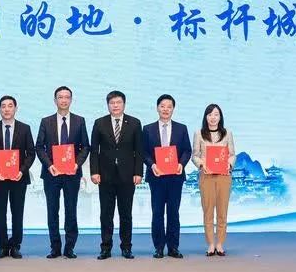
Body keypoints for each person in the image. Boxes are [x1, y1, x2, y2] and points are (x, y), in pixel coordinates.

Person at [35, 86, 90, 259]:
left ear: (71, 100)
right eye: (60, 97)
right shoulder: (46, 121)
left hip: (72, 173)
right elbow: (39, 147)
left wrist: (77, 164)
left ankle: (70, 247)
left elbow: (85, 146)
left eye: (67, 97)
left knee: (71, 210)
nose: (64, 100)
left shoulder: (79, 121)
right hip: (51, 173)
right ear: (55, 100)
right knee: (52, 211)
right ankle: (55, 247)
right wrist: (49, 165)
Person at [90, 90, 143, 259]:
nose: (115, 106)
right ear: (108, 105)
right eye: (112, 103)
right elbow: (94, 150)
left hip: (127, 176)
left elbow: (139, 151)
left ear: (124, 104)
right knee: (106, 214)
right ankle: (105, 248)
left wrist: (138, 172)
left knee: (125, 214)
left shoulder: (134, 123)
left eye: (118, 102)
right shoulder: (100, 123)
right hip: (105, 176)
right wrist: (94, 172)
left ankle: (126, 247)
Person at [0, 95, 36, 259]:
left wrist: (22, 171)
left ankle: (16, 245)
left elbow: (31, 153)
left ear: (15, 109)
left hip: (18, 178)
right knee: (0, 213)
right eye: (3, 106)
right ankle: (3, 246)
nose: (6, 109)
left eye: (10, 106)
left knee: (17, 212)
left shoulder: (25, 128)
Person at [142, 94, 192, 259]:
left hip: (175, 177)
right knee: (157, 213)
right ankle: (158, 247)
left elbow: (187, 150)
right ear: (157, 108)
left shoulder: (181, 128)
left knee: (173, 213)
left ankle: (173, 247)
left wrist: (181, 164)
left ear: (173, 109)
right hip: (156, 176)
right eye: (162, 106)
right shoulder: (148, 129)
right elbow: (143, 152)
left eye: (169, 107)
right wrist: (152, 165)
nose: (165, 109)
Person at [191, 104, 236, 257]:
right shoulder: (199, 133)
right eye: (210, 114)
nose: (213, 117)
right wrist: (201, 164)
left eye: (216, 114)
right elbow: (195, 155)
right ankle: (210, 244)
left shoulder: (227, 133)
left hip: (224, 176)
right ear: (206, 117)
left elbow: (232, 154)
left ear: (220, 117)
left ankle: (220, 243)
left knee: (222, 211)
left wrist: (229, 164)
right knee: (208, 210)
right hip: (207, 176)